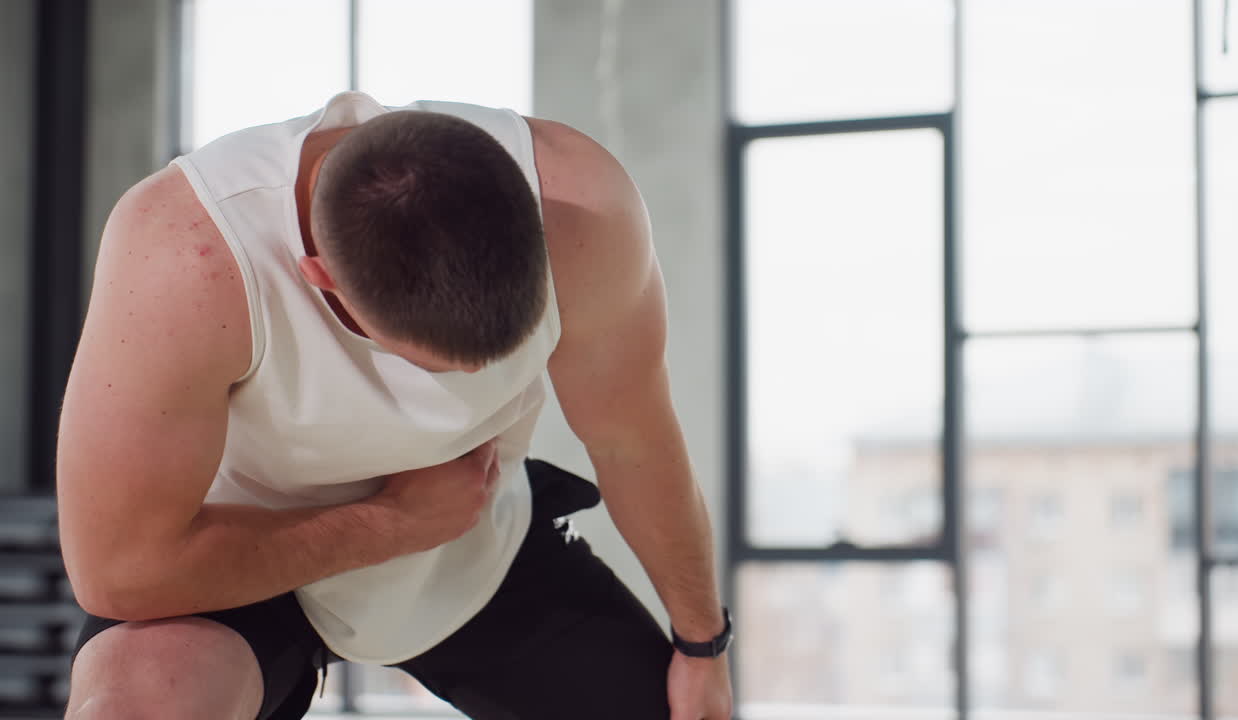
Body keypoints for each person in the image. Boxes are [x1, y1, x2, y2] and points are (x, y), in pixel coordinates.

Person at [56, 91, 733, 720]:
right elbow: (120, 572)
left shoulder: (584, 211)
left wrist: (703, 646)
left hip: (472, 537)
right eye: (426, 364)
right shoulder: (186, 254)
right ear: (321, 279)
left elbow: (631, 439)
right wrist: (394, 522)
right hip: (235, 553)